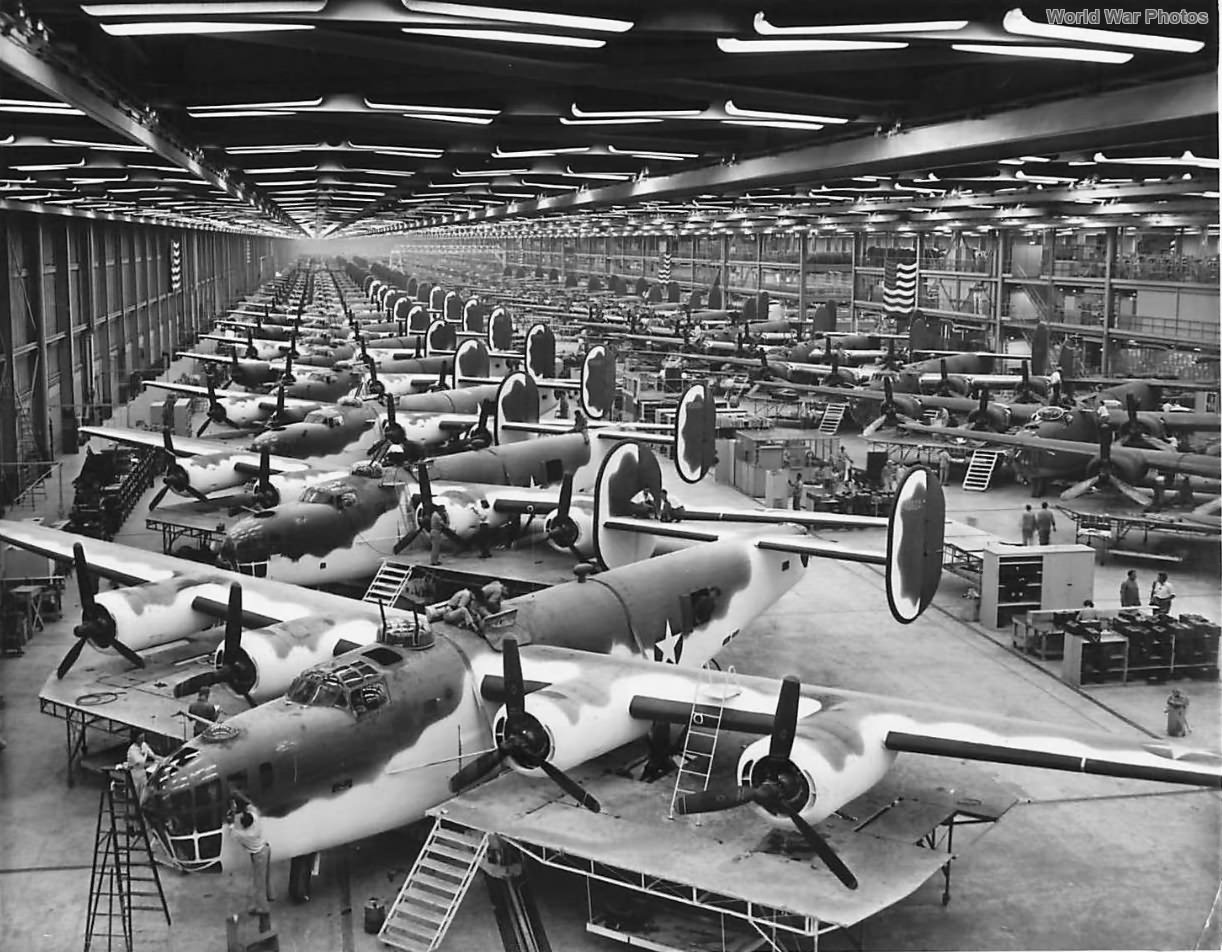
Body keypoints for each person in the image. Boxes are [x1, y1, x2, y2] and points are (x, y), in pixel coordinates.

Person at [228, 791, 273, 916]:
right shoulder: (255, 816)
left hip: (258, 855)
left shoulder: (244, 835)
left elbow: (230, 828)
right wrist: (238, 795)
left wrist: (232, 811)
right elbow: (249, 803)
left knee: (259, 883)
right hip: (266, 848)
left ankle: (263, 908)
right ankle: (270, 896)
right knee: (266, 878)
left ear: (244, 826)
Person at [126, 731, 156, 800]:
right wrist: (145, 754)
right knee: (137, 795)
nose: (142, 740)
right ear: (136, 738)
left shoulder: (144, 745)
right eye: (141, 738)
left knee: (144, 795)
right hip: (134, 774)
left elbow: (152, 755)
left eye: (143, 738)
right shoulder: (132, 749)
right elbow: (140, 761)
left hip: (142, 774)